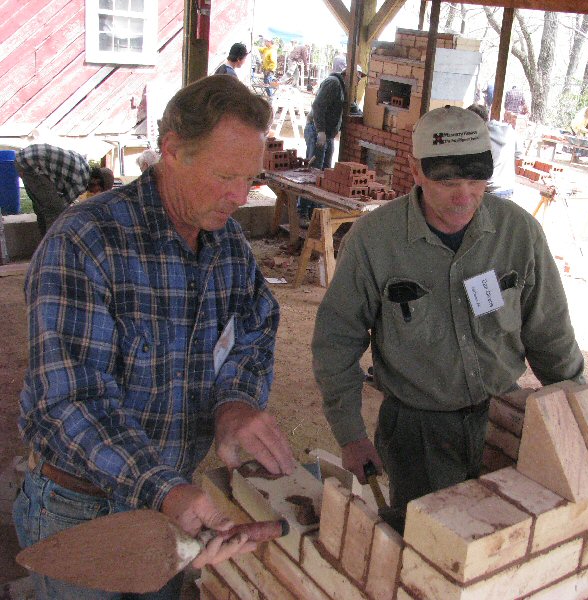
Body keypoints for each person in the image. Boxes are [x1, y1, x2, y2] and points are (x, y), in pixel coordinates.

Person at [13, 75, 294, 599]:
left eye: (250, 178)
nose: (240, 196)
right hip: (79, 507)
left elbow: (255, 326)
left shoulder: (226, 241)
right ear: (170, 152)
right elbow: (71, 401)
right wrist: (167, 490)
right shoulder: (86, 242)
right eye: (226, 176)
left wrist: (234, 401)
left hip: (170, 499)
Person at [312, 106, 585, 528]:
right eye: (448, 182)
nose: (465, 196)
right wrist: (351, 434)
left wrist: (580, 416)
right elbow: (337, 341)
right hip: (417, 434)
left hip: (504, 422)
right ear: (415, 169)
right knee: (426, 551)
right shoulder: (375, 241)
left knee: (501, 544)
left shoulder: (519, 233)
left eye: (476, 181)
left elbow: (550, 332)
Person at [300, 64, 365, 219]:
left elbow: (351, 107)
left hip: (327, 135)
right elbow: (318, 105)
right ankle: (302, 212)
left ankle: (315, 213)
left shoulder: (344, 88)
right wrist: (320, 131)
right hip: (318, 132)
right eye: (357, 78)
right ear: (348, 74)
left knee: (325, 174)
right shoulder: (333, 83)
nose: (358, 82)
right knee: (314, 172)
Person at [14, 143, 90, 235]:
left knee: (42, 209)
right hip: (31, 167)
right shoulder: (83, 181)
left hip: (22, 159)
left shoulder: (84, 164)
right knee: (54, 213)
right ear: (97, 181)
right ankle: (53, 247)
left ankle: (43, 244)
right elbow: (62, 204)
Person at [467, 103, 522, 199]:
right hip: (508, 188)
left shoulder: (477, 137)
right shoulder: (509, 130)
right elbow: (519, 156)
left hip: (489, 191)